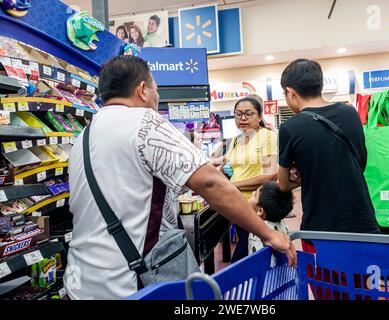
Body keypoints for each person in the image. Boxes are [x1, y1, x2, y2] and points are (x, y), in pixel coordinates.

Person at [63, 56, 296, 300]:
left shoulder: (84, 135)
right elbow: (209, 182)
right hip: (131, 284)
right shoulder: (144, 121)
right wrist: (268, 234)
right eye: (155, 87)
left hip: (81, 281)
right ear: (142, 89)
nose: (157, 96)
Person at [277, 58, 380, 235]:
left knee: (323, 264)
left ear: (290, 92)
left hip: (320, 225)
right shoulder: (350, 113)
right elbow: (360, 162)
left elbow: (283, 184)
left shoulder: (289, 127)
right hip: (362, 219)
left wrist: (306, 173)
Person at [212, 97, 278, 263]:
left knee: (248, 250)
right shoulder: (236, 139)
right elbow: (227, 162)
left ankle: (236, 285)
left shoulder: (267, 137)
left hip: (256, 205)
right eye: (238, 114)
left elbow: (270, 175)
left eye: (248, 114)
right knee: (245, 244)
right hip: (237, 203)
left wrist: (234, 185)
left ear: (260, 116)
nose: (242, 118)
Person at [248, 181, 293, 254]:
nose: (252, 192)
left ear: (260, 211)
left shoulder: (258, 231)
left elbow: (257, 258)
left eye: (255, 195)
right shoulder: (282, 223)